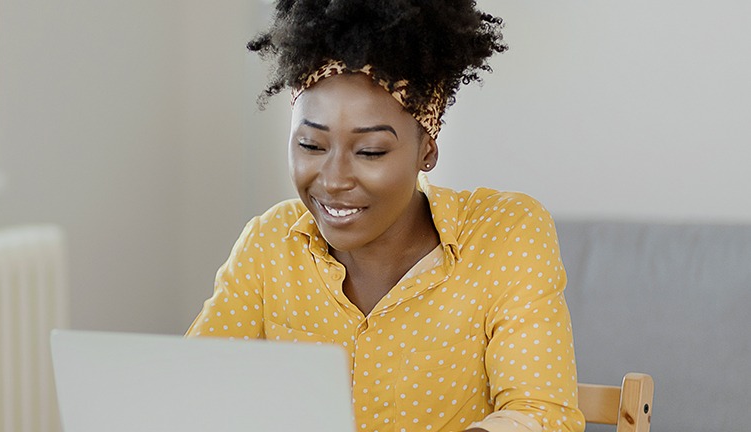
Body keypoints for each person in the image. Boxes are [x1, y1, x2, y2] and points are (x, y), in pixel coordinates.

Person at [187, 1, 585, 431]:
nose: (334, 179)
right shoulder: (270, 243)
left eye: (370, 151)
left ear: (426, 150)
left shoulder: (504, 233)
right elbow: (191, 393)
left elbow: (542, 416)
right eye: (311, 145)